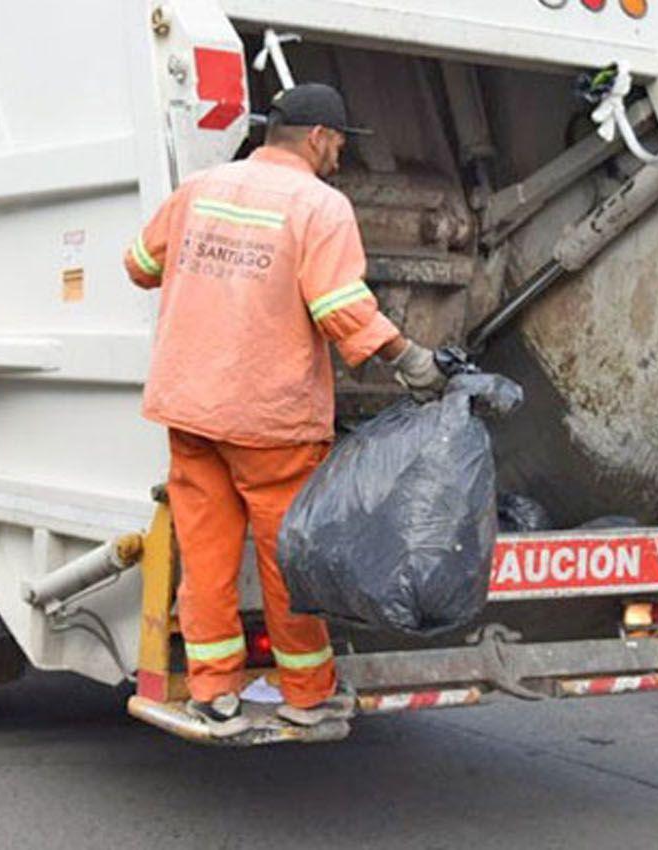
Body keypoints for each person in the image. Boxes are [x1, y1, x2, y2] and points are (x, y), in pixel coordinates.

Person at [122, 83, 446, 737]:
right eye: (340, 147)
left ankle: (214, 692)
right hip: (269, 419)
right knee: (292, 563)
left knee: (207, 556)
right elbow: (336, 307)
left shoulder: (200, 188)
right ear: (321, 138)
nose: (340, 160)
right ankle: (306, 692)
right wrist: (407, 356)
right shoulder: (319, 206)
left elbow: (138, 264)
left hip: (190, 408)